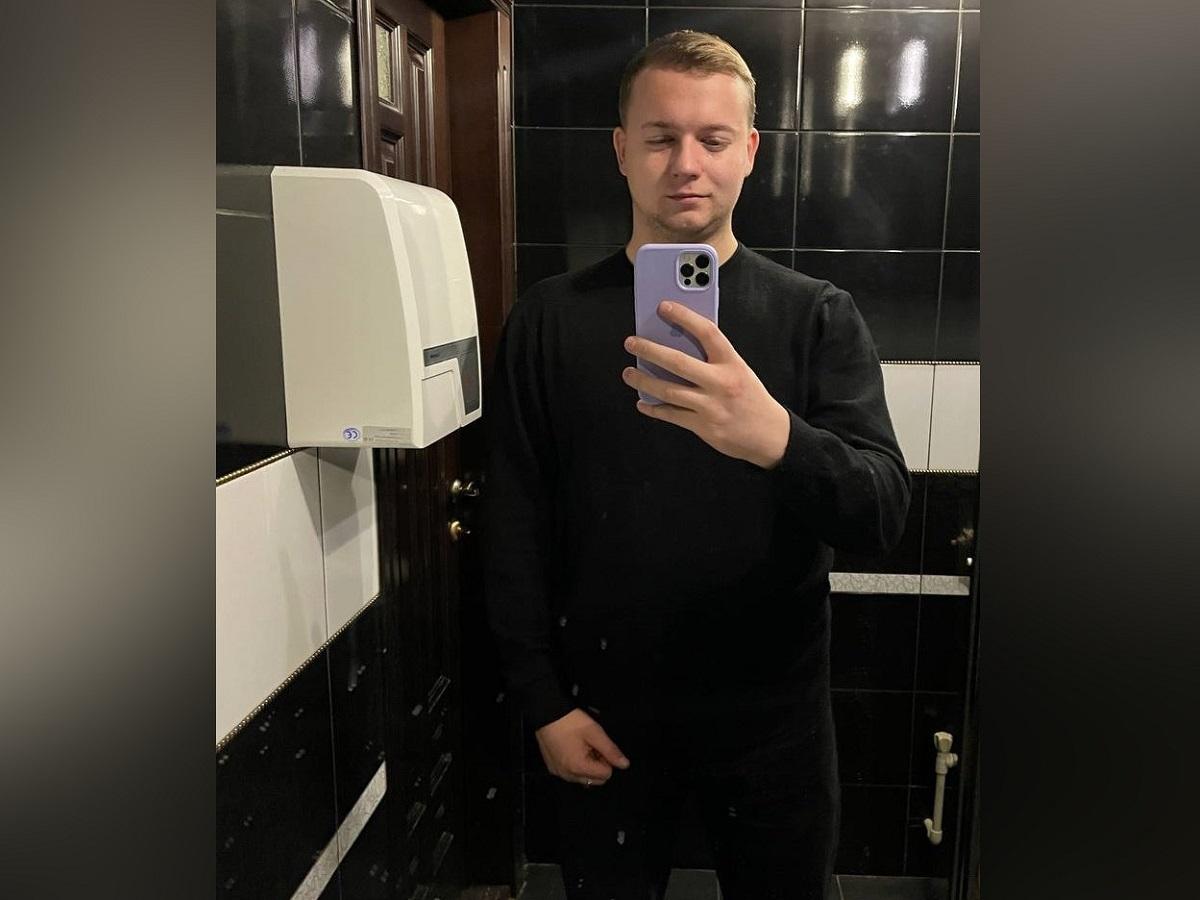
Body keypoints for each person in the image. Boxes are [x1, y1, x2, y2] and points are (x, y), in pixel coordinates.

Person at [483, 30, 910, 900]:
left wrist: (776, 437)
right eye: (660, 137)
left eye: (713, 139)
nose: (686, 163)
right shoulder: (548, 320)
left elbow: (883, 514)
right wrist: (544, 704)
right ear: (621, 150)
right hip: (602, 708)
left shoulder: (817, 316)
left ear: (749, 151)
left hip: (775, 719)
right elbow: (513, 519)